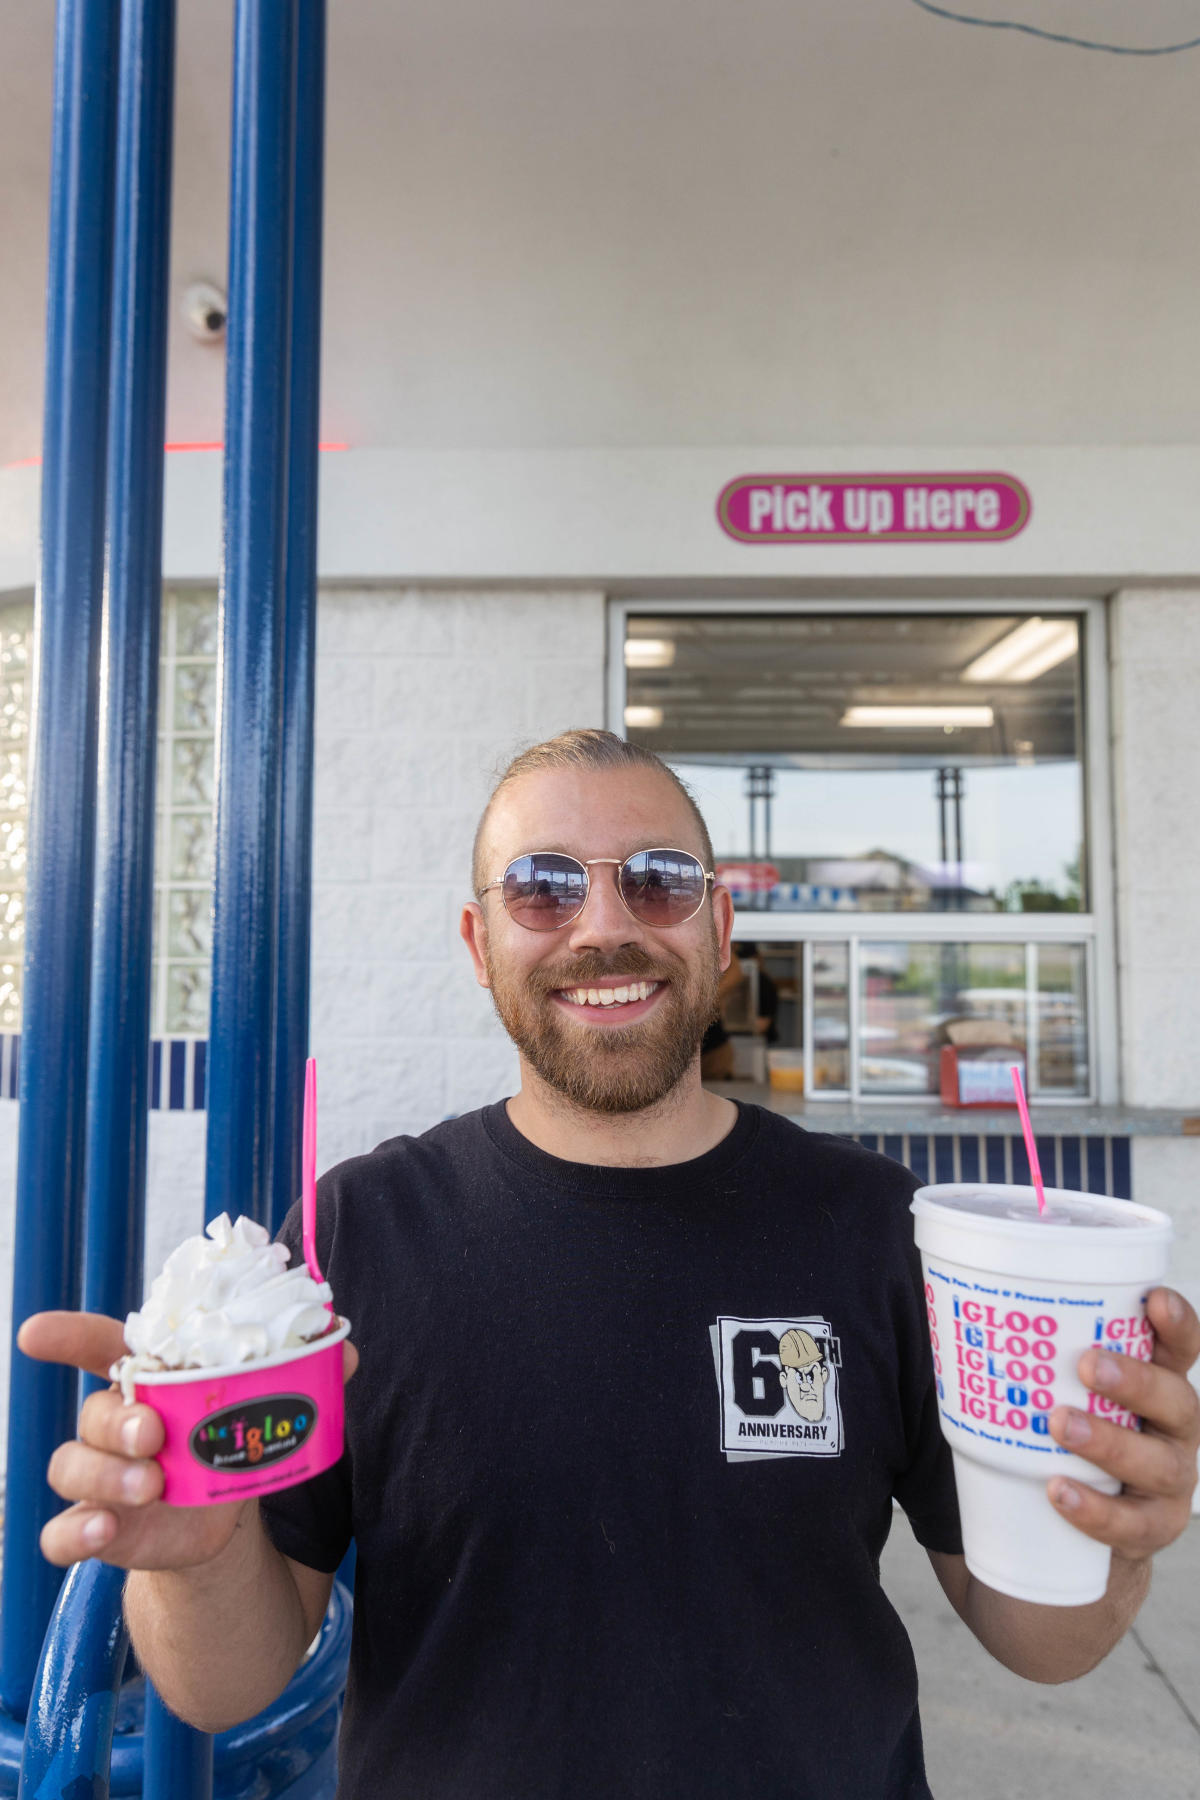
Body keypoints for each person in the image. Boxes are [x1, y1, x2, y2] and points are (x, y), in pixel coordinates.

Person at [21, 728, 1200, 1800]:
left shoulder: (875, 1224)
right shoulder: (353, 1237)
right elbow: (227, 1684)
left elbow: (1045, 1642)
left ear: (720, 928)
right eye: (542, 888)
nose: (602, 927)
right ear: (480, 946)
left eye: (658, 879)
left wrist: (1115, 1530)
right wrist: (192, 1555)